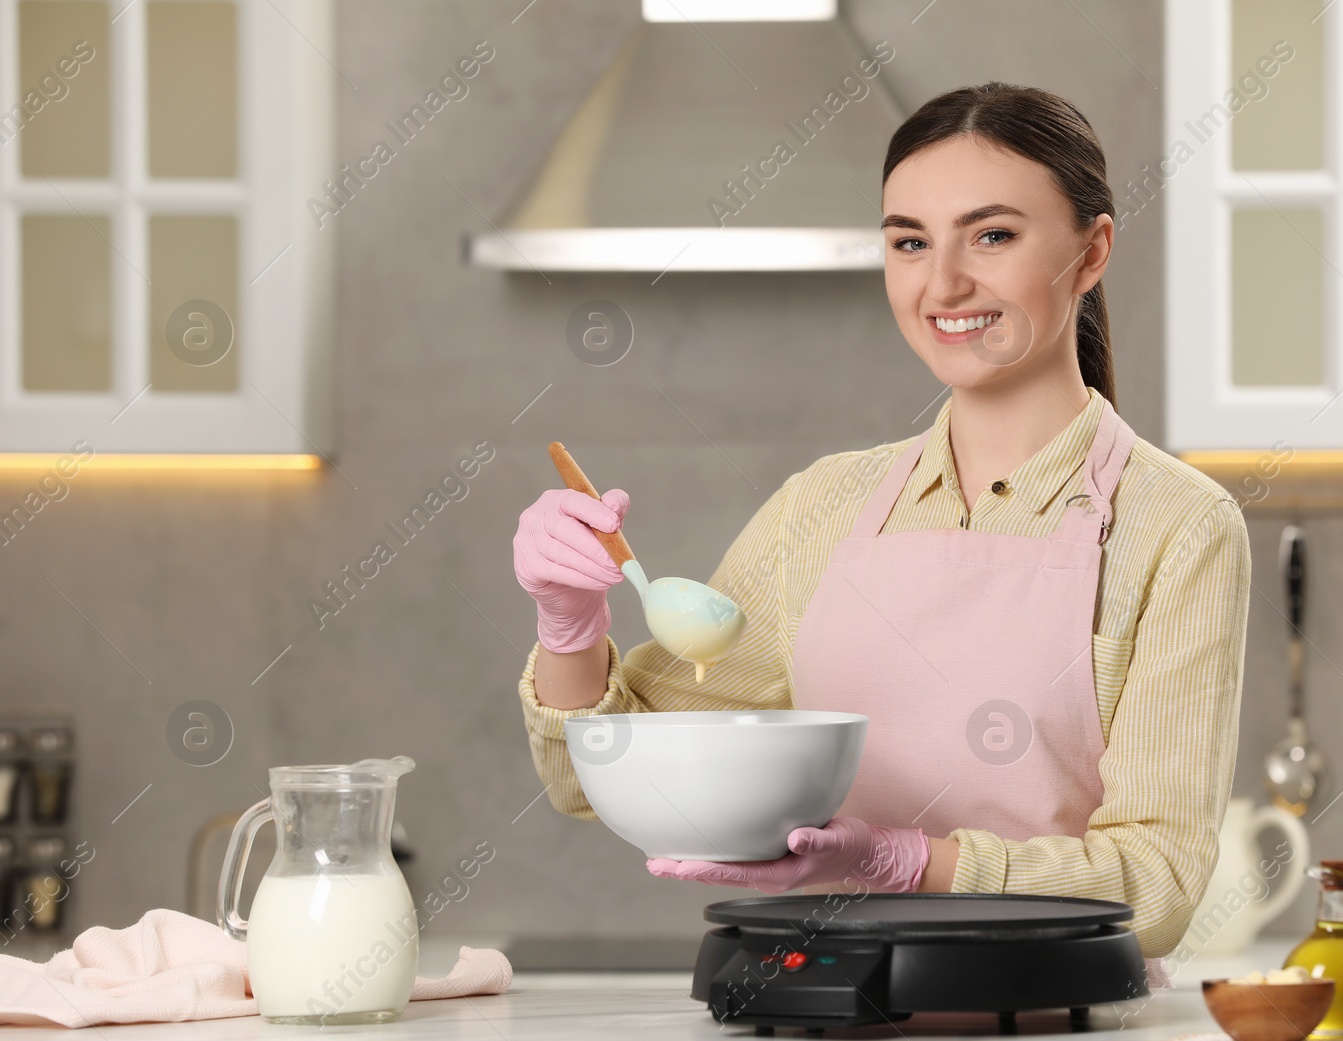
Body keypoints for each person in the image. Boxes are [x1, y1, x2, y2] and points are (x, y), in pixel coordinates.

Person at [512, 82, 1250, 988]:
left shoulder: (1179, 525)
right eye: (910, 242)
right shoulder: (822, 505)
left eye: (993, 235)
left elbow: (1164, 887)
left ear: (1091, 251)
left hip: (1053, 1021)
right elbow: (605, 777)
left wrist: (907, 861)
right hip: (825, 1011)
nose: (943, 284)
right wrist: (571, 628)